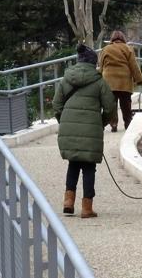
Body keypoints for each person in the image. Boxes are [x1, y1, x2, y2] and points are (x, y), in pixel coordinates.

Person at [53, 44, 116, 218]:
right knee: (89, 167)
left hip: (69, 127)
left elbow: (56, 105)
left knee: (73, 164)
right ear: (93, 63)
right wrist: (100, 123)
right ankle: (87, 208)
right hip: (91, 129)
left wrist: (64, 121)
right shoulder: (99, 82)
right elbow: (110, 107)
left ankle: (68, 202)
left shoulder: (66, 79)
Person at [98, 30, 142, 132]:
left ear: (112, 39)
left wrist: (99, 77)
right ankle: (128, 124)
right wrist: (139, 79)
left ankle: (113, 124)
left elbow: (101, 66)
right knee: (126, 104)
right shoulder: (128, 48)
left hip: (109, 81)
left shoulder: (105, 49)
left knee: (111, 104)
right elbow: (134, 66)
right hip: (124, 81)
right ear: (123, 38)